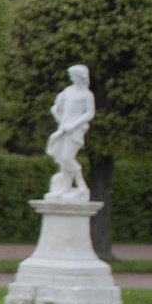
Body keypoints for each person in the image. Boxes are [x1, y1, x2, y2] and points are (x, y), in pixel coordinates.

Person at [45, 64, 95, 201]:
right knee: (61, 158)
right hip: (64, 129)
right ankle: (65, 187)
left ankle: (82, 186)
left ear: (81, 77)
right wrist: (58, 115)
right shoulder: (68, 91)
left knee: (67, 158)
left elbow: (90, 113)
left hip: (74, 131)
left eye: (74, 76)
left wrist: (74, 124)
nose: (72, 78)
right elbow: (57, 107)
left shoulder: (87, 95)